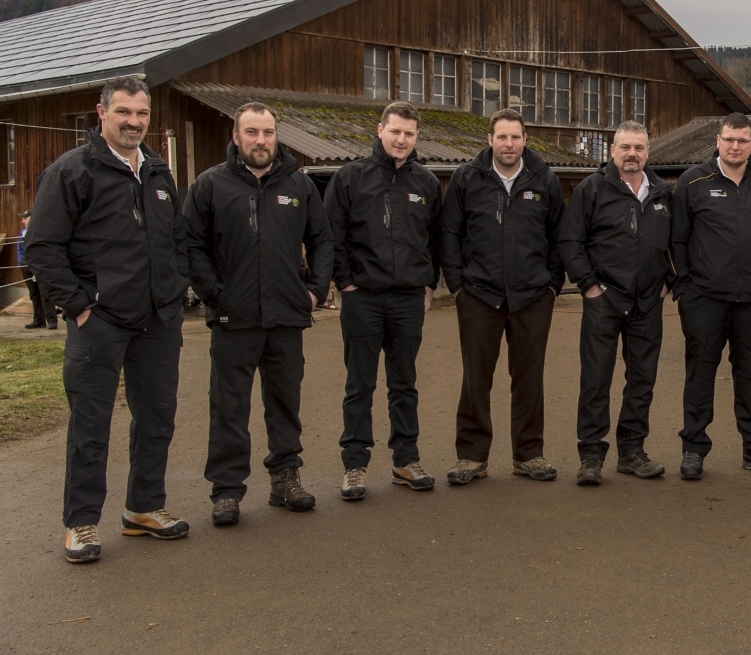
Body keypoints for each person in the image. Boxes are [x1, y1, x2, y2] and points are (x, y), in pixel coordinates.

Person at [25, 76, 191, 563]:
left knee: (157, 417)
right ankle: (80, 522)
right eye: (123, 112)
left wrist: (175, 285)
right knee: (91, 425)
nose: (134, 122)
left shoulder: (158, 173)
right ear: (101, 113)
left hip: (158, 319)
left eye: (141, 113)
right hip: (99, 321)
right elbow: (42, 248)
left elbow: (176, 239)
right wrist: (78, 305)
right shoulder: (72, 172)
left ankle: (144, 508)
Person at [183, 102, 333, 526]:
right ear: (236, 137)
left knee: (285, 403)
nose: (261, 140)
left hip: (286, 315)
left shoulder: (298, 185)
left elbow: (323, 240)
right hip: (234, 318)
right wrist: (216, 295)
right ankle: (227, 491)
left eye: (268, 132)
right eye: (252, 132)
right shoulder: (211, 184)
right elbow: (190, 245)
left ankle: (286, 479)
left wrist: (314, 292)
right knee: (229, 407)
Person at [440, 108, 565, 485]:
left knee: (529, 378)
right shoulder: (467, 178)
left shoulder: (545, 179)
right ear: (490, 140)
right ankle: (472, 457)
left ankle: (528, 454)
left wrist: (551, 286)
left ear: (525, 140)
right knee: (476, 379)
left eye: (515, 137)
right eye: (502, 137)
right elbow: (449, 234)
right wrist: (458, 286)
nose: (508, 144)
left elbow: (559, 237)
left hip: (532, 297)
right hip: (479, 295)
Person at [325, 101, 441, 500]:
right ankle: (354, 465)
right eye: (395, 131)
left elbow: (435, 239)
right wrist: (346, 283)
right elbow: (332, 234)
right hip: (364, 298)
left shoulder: (426, 183)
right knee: (359, 384)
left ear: (417, 136)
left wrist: (429, 284)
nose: (401, 140)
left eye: (409, 133)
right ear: (380, 130)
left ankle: (406, 459)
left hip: (408, 299)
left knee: (404, 383)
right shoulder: (350, 177)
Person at [671, 112, 751, 480]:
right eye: (729, 139)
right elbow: (677, 239)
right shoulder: (693, 182)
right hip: (705, 299)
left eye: (742, 140)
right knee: (700, 374)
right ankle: (693, 449)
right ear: (718, 141)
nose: (735, 146)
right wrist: (684, 288)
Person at [559, 121, 674, 485]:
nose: (632, 154)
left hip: (647, 302)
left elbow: (678, 242)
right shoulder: (592, 189)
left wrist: (667, 282)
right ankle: (591, 456)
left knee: (642, 380)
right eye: (625, 147)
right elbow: (570, 241)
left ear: (648, 152)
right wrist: (589, 287)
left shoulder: (662, 193)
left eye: (639, 148)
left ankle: (632, 452)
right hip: (604, 300)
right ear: (612, 151)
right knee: (595, 380)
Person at [17, 210, 57, 329]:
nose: (22, 221)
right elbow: (19, 249)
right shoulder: (23, 232)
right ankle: (38, 320)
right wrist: (20, 263)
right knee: (34, 294)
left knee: (45, 293)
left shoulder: (41, 230)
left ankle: (51, 320)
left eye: (25, 218)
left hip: (40, 266)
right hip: (26, 266)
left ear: (32, 218)